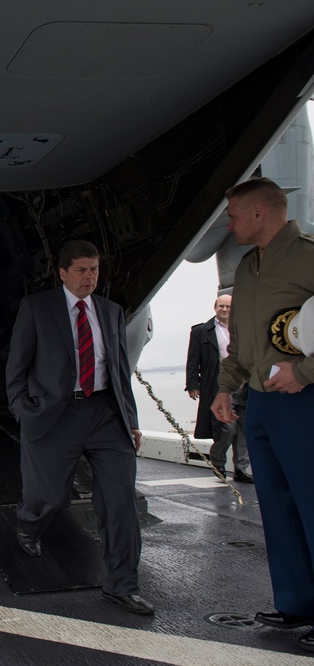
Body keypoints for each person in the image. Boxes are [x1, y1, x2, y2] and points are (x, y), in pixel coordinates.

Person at [6, 240, 153, 615]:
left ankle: (122, 585)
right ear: (63, 273)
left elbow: (120, 373)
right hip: (57, 415)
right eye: (82, 270)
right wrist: (24, 410)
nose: (90, 277)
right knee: (50, 496)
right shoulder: (37, 308)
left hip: (105, 415)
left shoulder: (111, 311)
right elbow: (16, 368)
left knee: (120, 503)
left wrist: (130, 421)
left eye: (95, 270)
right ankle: (29, 523)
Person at [211, 176, 314, 653]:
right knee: (276, 506)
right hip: (262, 403)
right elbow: (241, 345)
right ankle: (296, 603)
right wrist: (225, 387)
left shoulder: (309, 255)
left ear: (258, 213)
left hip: (304, 401)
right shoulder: (249, 269)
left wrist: (306, 372)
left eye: (233, 216)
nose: (228, 225)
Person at [185, 295, 252, 482]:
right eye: (221, 306)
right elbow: (193, 360)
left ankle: (241, 469)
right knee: (227, 429)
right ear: (215, 307)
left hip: (245, 386)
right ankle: (218, 464)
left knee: (244, 429)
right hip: (219, 387)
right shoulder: (201, 331)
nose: (225, 309)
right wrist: (192, 384)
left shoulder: (244, 328)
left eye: (229, 306)